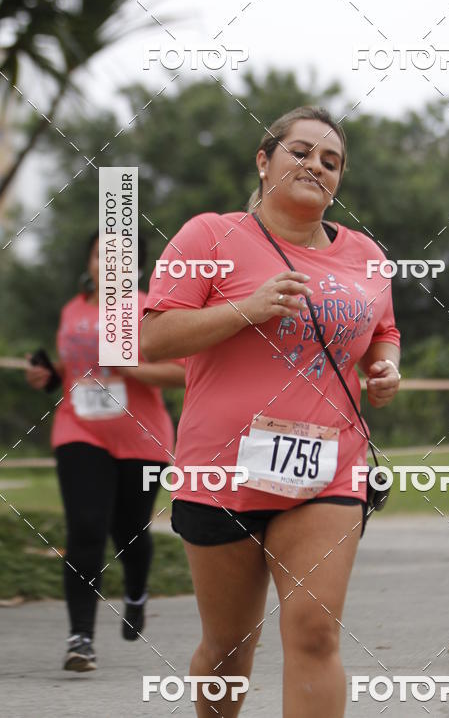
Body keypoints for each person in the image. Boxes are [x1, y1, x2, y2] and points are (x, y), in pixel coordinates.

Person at [141, 105, 401, 718]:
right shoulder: (208, 235)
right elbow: (152, 339)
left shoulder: (365, 254)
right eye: (302, 151)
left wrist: (386, 366)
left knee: (314, 632)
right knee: (229, 649)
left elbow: (383, 329)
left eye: (331, 161)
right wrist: (248, 309)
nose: (316, 166)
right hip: (221, 473)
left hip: (329, 469)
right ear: (264, 161)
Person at [25, 232, 185, 671]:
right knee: (86, 527)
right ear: (90, 260)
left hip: (141, 434)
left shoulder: (152, 310)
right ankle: (81, 638)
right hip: (79, 428)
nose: (109, 264)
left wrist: (131, 365)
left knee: (129, 530)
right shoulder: (72, 310)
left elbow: (183, 373)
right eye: (101, 255)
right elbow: (76, 367)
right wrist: (49, 375)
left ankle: (136, 593)